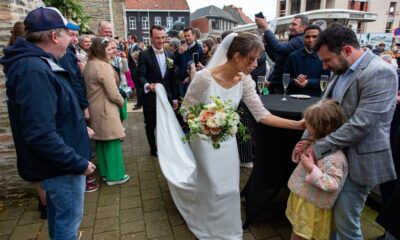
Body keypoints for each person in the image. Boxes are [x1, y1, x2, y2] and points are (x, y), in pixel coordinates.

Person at [156, 32, 305, 239]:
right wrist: (204, 124)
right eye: (251, 59)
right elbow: (186, 110)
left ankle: (228, 230)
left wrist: (297, 125)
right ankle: (206, 222)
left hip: (227, 140)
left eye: (257, 60)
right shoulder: (204, 78)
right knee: (213, 186)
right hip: (204, 139)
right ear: (236, 56)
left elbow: (262, 115)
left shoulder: (245, 81)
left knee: (230, 188)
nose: (255, 65)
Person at [0, 7, 96, 239]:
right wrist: (78, 163)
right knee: (67, 222)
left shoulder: (38, 63)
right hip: (60, 167)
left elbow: (52, 113)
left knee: (60, 217)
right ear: (54, 36)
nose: (71, 39)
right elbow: (40, 133)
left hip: (59, 164)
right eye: (67, 33)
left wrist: (79, 127)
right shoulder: (34, 69)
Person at [310, 23, 398, 240]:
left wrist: (317, 147)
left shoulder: (381, 72)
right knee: (332, 220)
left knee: (346, 223)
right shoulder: (340, 68)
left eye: (327, 60)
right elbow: (324, 109)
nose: (324, 67)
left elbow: (360, 125)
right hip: (335, 158)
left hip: (360, 161)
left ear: (347, 50)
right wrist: (306, 139)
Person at [287, 99, 348, 240]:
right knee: (298, 230)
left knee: (303, 235)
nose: (305, 126)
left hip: (312, 205)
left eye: (308, 124)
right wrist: (298, 153)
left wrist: (311, 168)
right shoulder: (314, 142)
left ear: (320, 127)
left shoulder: (334, 157)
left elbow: (332, 184)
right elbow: (302, 163)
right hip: (303, 198)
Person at [84, 37, 130, 186]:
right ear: (100, 49)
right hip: (106, 109)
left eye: (114, 48)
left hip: (95, 108)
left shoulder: (90, 64)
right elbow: (113, 93)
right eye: (110, 48)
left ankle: (105, 173)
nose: (114, 51)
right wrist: (122, 102)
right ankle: (116, 176)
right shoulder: (102, 67)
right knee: (112, 142)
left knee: (101, 143)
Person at [137, 25, 178, 157]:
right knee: (150, 125)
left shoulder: (170, 55)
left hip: (166, 97)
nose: (161, 41)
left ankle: (166, 145)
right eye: (157, 38)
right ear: (151, 38)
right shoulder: (144, 55)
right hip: (151, 98)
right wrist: (148, 85)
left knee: (166, 124)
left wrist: (175, 98)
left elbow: (172, 79)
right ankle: (153, 148)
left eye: (163, 37)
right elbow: (140, 76)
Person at [255, 15, 307, 93]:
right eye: (291, 24)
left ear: (303, 27)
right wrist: (267, 45)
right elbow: (277, 58)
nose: (290, 27)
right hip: (278, 84)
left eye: (294, 24)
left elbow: (279, 47)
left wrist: (265, 28)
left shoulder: (300, 41)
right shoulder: (294, 39)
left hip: (284, 87)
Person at [284, 25, 330, 96]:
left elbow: (327, 81)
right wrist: (295, 81)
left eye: (314, 37)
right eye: (307, 37)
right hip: (294, 98)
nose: (310, 40)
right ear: (303, 38)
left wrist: (308, 82)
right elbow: (285, 78)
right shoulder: (293, 56)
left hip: (316, 99)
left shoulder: (326, 57)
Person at [175, 26, 203, 97]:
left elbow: (199, 67)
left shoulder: (199, 49)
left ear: (193, 36)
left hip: (192, 82)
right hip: (180, 82)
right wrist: (179, 53)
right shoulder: (182, 48)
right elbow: (175, 63)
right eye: (185, 36)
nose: (187, 38)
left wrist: (189, 77)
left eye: (188, 36)